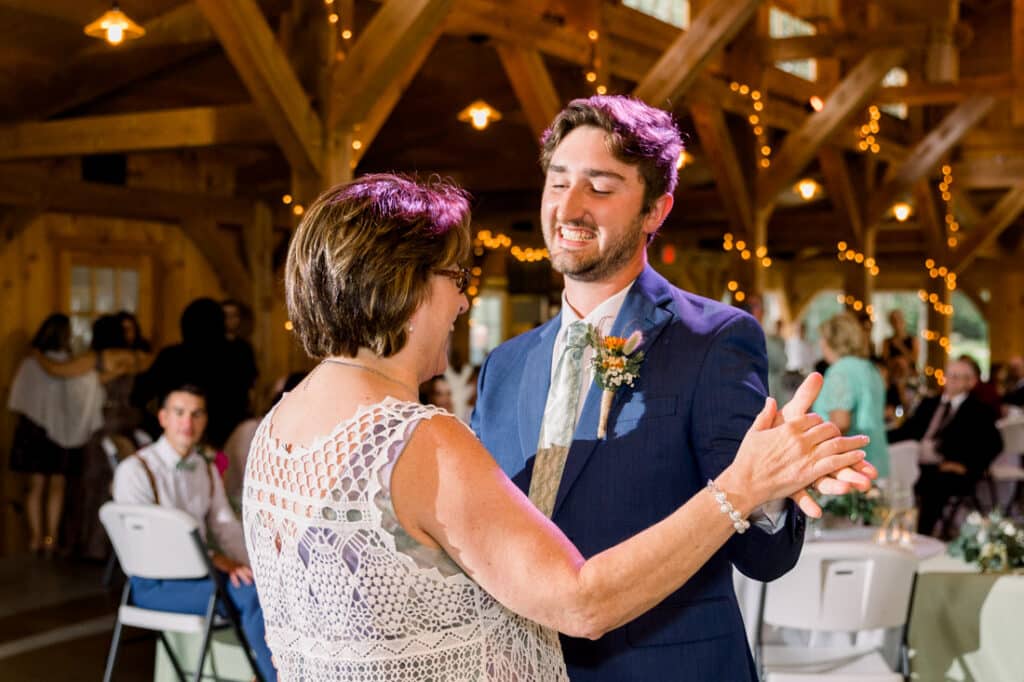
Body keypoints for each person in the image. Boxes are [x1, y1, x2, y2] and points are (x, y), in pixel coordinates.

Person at [242, 173, 871, 681]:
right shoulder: (422, 440)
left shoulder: (278, 428)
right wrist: (742, 486)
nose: (463, 301)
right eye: (457, 279)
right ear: (404, 285)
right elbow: (580, 601)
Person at [470, 96, 874, 681]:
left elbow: (762, 557)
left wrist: (767, 489)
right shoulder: (503, 366)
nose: (569, 207)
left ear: (656, 210)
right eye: (557, 183)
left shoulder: (715, 340)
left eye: (600, 188)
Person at [113, 384, 275, 681]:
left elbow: (226, 527)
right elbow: (148, 546)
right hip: (153, 585)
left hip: (202, 580)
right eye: (179, 413)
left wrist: (260, 569)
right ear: (163, 418)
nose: (188, 423)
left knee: (265, 588)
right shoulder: (135, 470)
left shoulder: (203, 466)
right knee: (252, 596)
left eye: (196, 414)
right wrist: (214, 559)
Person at [34, 314, 150, 559]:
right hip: (129, 424)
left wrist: (36, 355)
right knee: (124, 485)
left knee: (91, 484)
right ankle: (123, 549)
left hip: (103, 425)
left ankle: (93, 546)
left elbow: (57, 370)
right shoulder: (137, 358)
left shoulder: (96, 359)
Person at [7, 314, 105, 556]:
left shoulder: (42, 363)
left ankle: (39, 538)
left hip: (37, 430)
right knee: (52, 486)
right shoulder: (61, 365)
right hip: (49, 431)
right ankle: (47, 538)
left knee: (39, 486)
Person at [889, 358, 1003, 536]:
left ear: (971, 382)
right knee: (893, 471)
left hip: (949, 469)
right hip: (916, 462)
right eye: (950, 376)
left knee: (933, 484)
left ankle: (922, 535)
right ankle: (892, 529)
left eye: (958, 377)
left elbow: (994, 444)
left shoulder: (978, 410)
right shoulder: (929, 403)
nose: (952, 381)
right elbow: (906, 431)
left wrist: (966, 466)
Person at [133, 298, 257, 448]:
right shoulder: (238, 353)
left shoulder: (172, 357)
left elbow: (138, 395)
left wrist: (158, 429)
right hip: (228, 441)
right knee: (219, 470)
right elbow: (248, 395)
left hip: (182, 439)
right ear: (220, 323)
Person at [813, 313, 891, 479]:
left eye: (822, 338)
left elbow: (840, 423)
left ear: (832, 341)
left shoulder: (840, 371)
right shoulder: (871, 369)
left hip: (851, 468)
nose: (820, 343)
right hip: (877, 460)